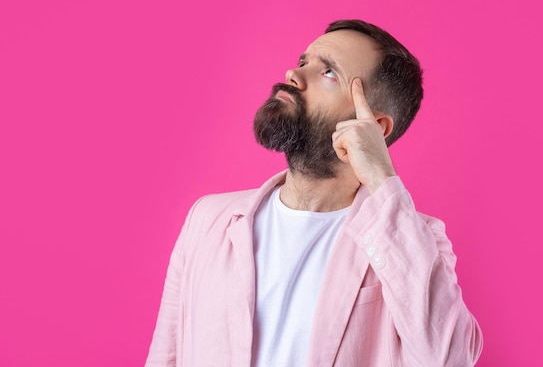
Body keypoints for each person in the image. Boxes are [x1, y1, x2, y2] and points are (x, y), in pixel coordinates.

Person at [145, 19, 483, 367]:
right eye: (305, 61)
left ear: (373, 127)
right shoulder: (207, 219)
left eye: (328, 73)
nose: (294, 74)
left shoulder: (417, 239)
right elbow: (165, 356)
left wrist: (381, 174)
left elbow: (450, 359)